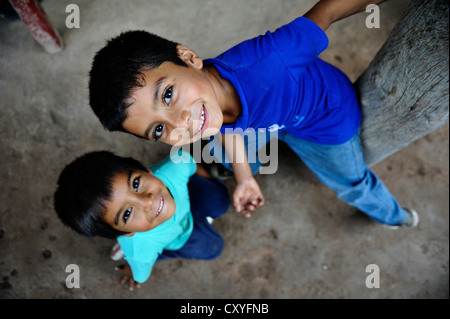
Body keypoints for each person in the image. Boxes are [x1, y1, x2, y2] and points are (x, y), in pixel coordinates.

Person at [87, 0, 418, 228]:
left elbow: (329, 9)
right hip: (274, 121)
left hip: (324, 120)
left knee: (351, 182)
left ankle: (396, 217)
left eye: (168, 94)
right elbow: (227, 126)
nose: (179, 123)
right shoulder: (205, 104)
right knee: (220, 148)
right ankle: (242, 168)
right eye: (158, 130)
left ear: (188, 57)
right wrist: (245, 178)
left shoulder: (272, 61)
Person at [53, 150, 230, 289]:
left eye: (136, 184)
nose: (148, 201)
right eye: (127, 214)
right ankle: (132, 251)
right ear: (127, 232)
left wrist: (200, 179)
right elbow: (140, 276)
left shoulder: (173, 171)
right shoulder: (141, 248)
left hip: (187, 199)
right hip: (176, 239)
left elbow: (188, 162)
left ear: (145, 170)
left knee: (222, 200)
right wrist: (133, 268)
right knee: (213, 247)